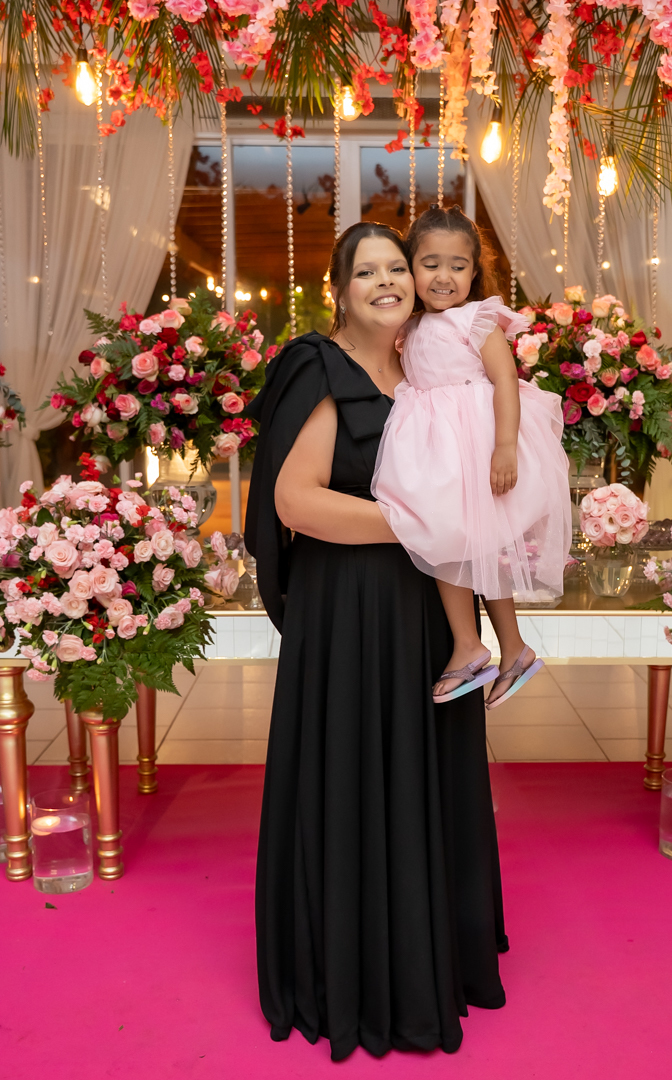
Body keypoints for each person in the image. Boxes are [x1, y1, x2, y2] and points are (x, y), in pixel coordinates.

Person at [243, 221, 508, 1062]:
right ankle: (358, 972)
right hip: (350, 615)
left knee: (425, 778)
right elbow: (296, 501)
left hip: (427, 613)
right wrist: (424, 522)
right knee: (359, 774)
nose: (389, 281)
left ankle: (430, 956)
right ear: (339, 289)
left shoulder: (428, 369)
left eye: (399, 267)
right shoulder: (318, 367)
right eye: (368, 272)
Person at [372, 206, 571, 707]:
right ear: (410, 268)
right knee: (453, 542)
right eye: (430, 264)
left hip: (478, 447)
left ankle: (494, 646)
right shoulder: (408, 327)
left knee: (477, 546)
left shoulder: (477, 318)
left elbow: (505, 380)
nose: (444, 276)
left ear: (474, 271)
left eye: (457, 266)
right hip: (436, 454)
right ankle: (494, 647)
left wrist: (505, 446)